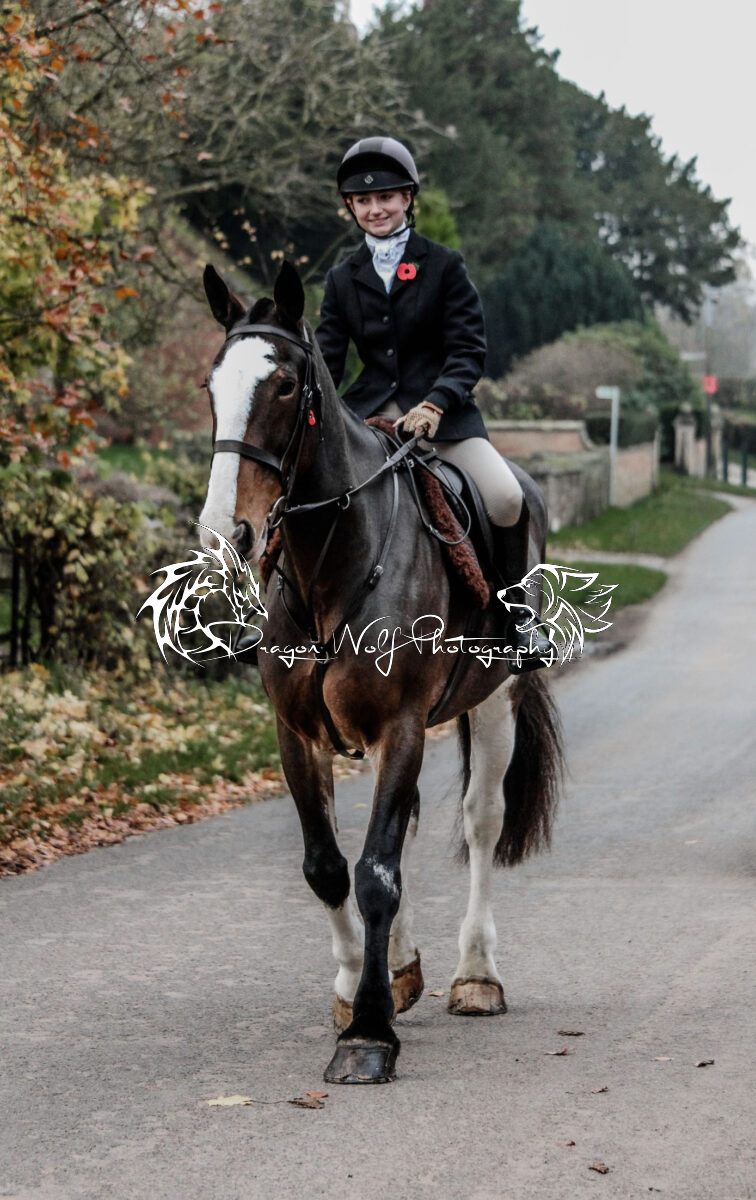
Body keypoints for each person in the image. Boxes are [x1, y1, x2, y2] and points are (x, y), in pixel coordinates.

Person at [315, 135, 552, 673]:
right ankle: (277, 620)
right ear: (351, 207)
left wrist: (436, 403)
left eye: (386, 198)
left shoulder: (444, 265)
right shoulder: (341, 278)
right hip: (369, 418)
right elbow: (327, 361)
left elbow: (469, 350)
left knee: (506, 497)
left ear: (407, 199)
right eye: (363, 201)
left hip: (444, 421)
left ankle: (518, 622)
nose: (375, 209)